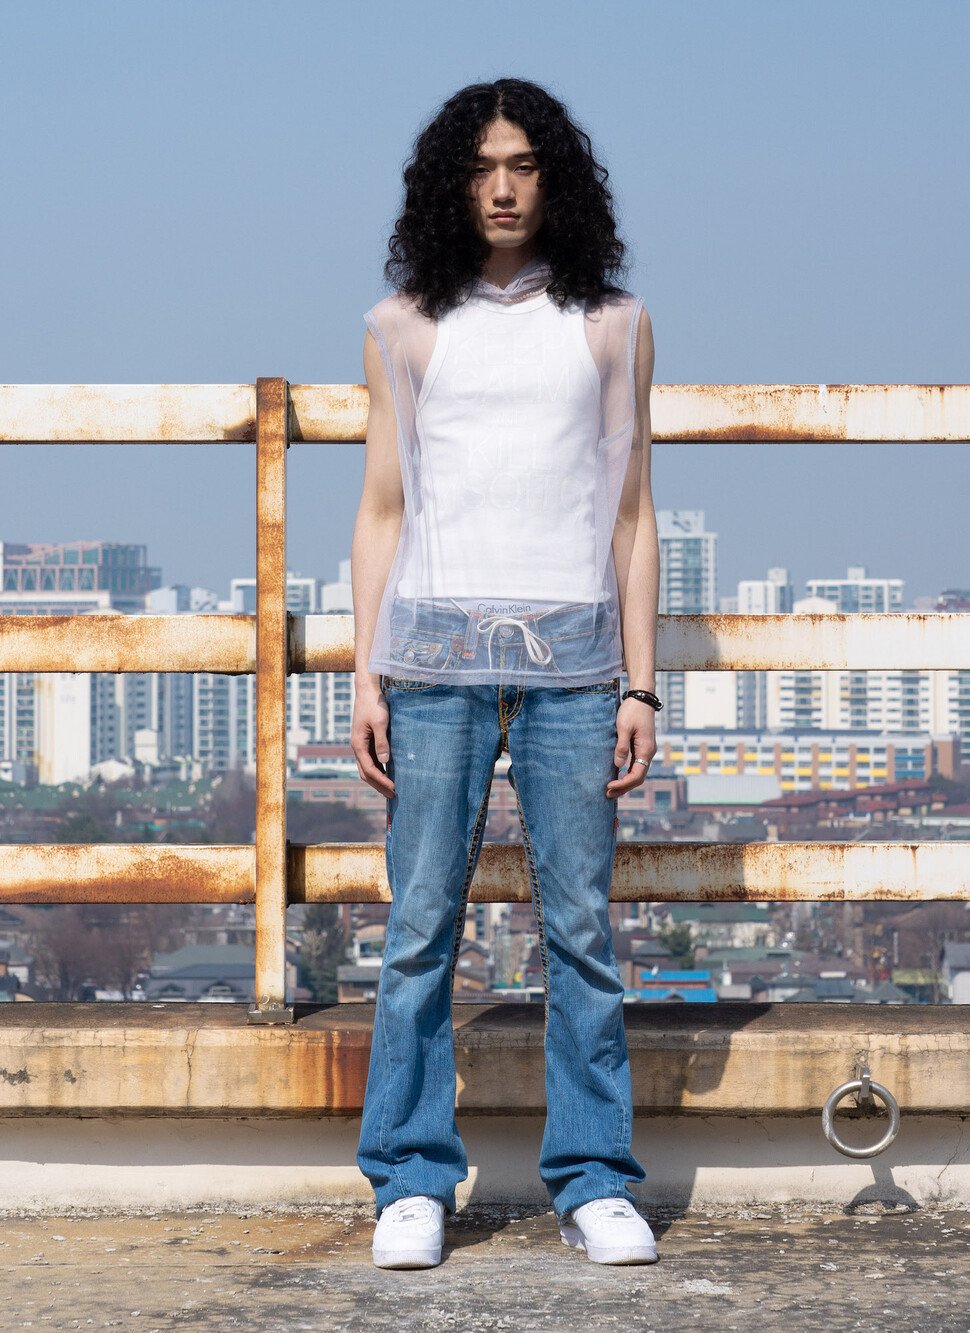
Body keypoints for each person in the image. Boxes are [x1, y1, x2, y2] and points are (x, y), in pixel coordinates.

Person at [350, 77, 659, 1270]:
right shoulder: (401, 327)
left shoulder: (612, 325)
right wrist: (366, 675)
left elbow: (632, 514)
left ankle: (593, 1179)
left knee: (578, 929)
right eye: (480, 166)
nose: (501, 186)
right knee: (420, 925)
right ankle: (409, 1178)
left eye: (523, 164)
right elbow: (382, 508)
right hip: (430, 658)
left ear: (554, 178)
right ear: (449, 183)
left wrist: (638, 684)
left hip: (574, 663)